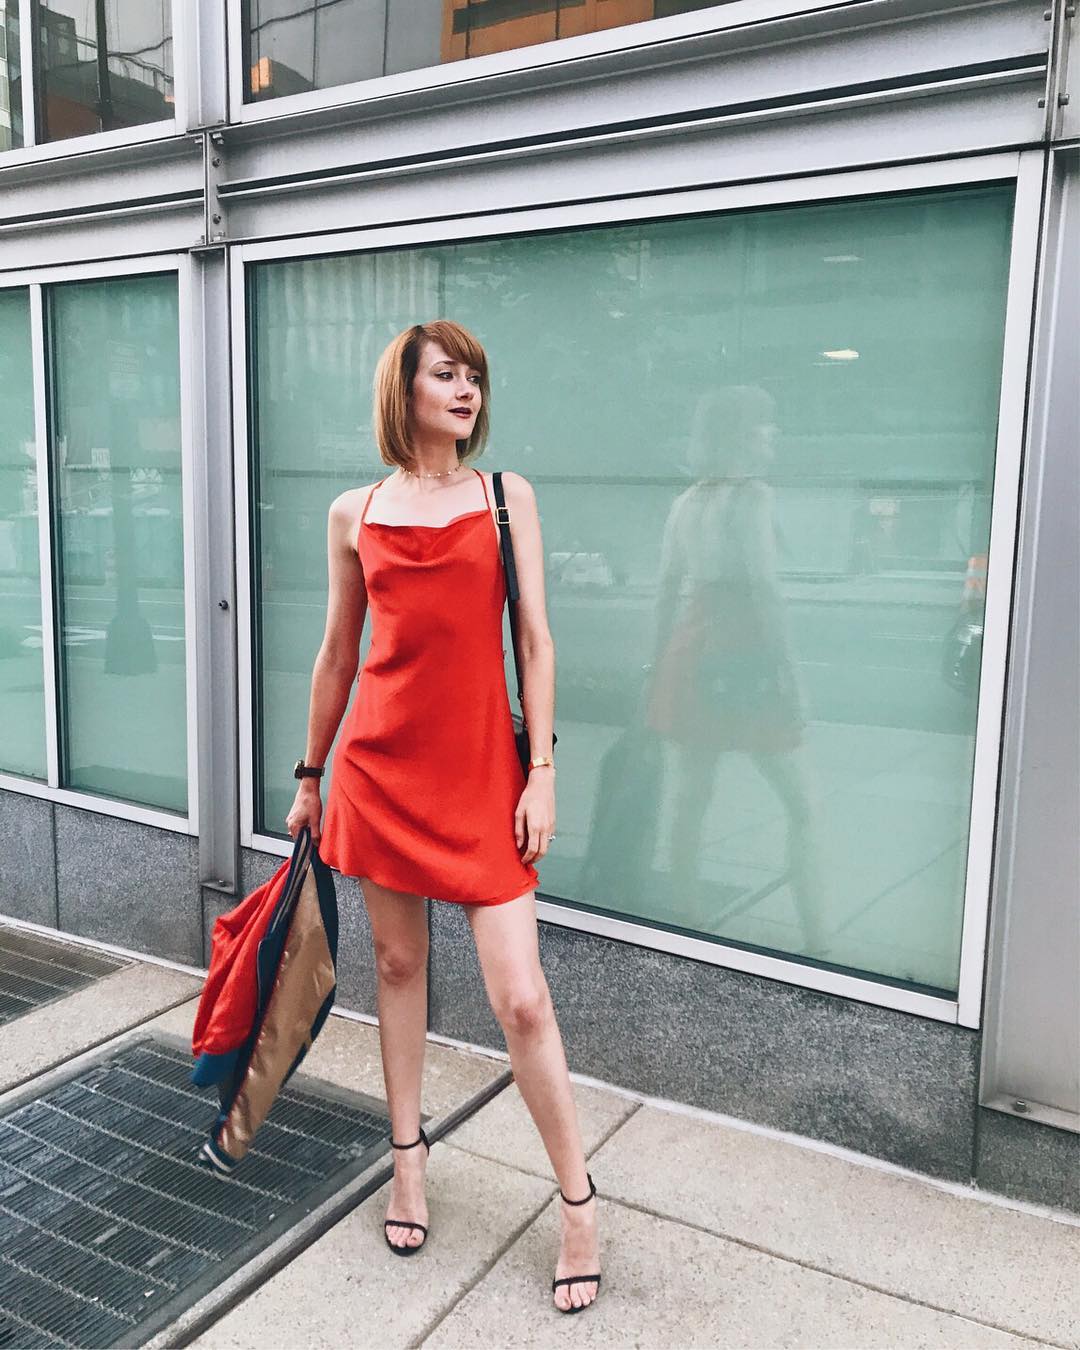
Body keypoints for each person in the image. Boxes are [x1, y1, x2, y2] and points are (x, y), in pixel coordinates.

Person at [285, 320, 602, 1314]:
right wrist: (308, 774)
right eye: (445, 373)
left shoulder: (507, 500)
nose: (465, 389)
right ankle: (408, 1159)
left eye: (475, 376)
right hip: (379, 770)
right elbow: (339, 656)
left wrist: (540, 771)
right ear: (404, 390)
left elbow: (537, 645)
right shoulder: (356, 510)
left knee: (522, 1000)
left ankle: (580, 1203)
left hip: (481, 776)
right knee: (397, 970)